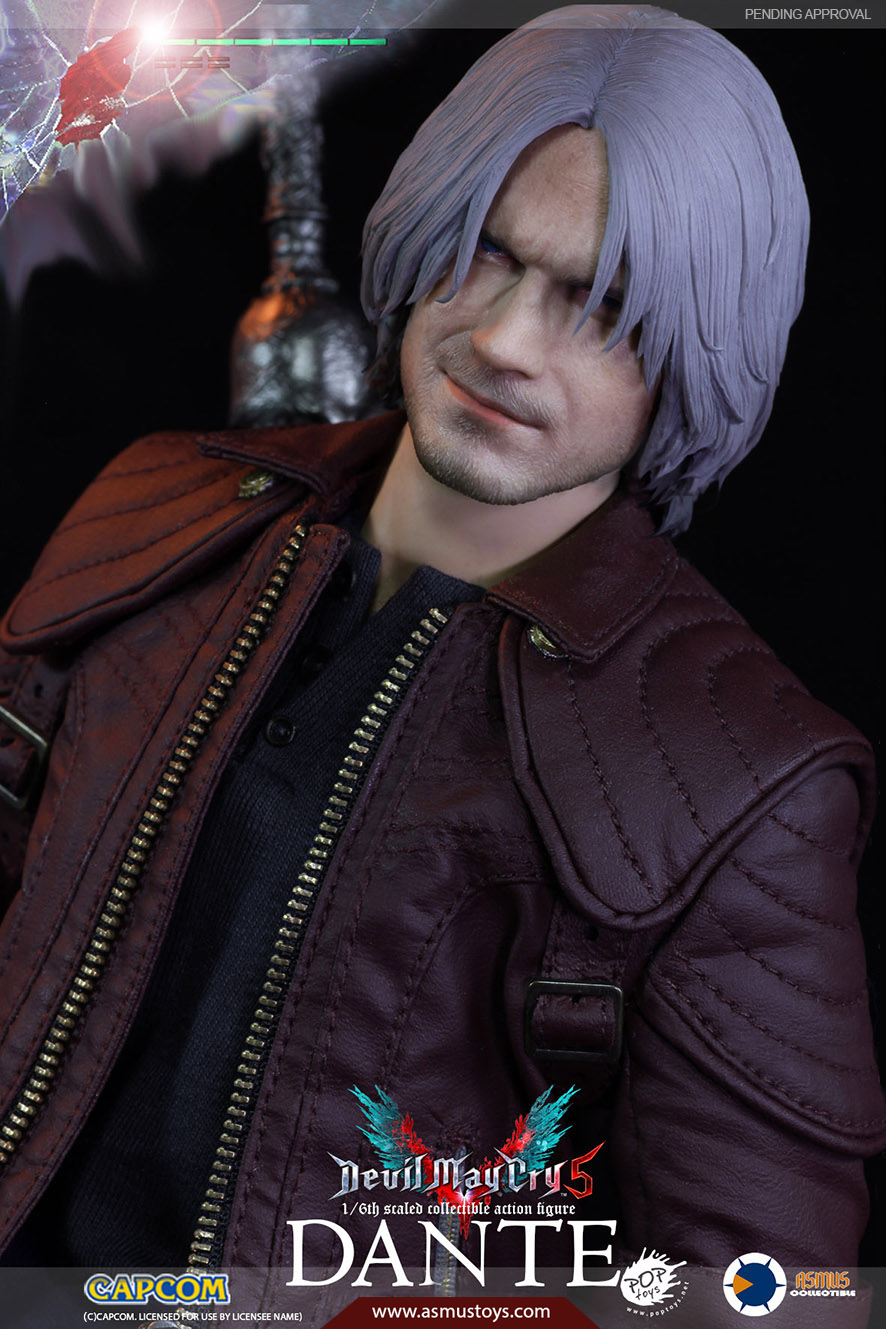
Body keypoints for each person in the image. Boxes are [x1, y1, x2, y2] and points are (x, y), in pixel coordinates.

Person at [0, 4, 882, 1322]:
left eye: (602, 306)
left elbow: (756, 1294)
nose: (509, 340)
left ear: (698, 352)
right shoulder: (152, 523)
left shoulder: (748, 781)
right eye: (488, 252)